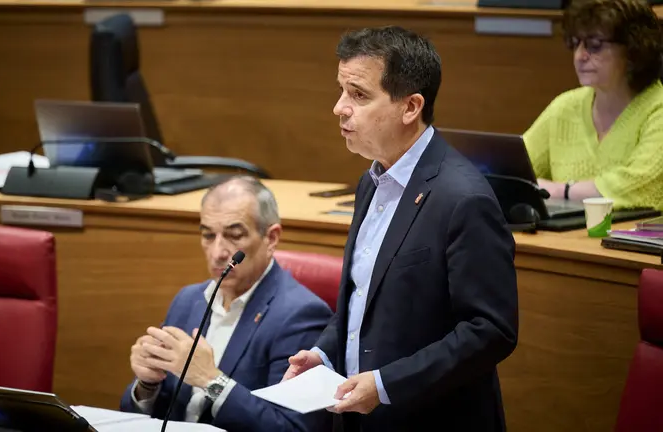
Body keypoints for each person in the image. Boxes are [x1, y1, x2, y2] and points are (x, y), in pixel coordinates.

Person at [283, 26, 519, 431]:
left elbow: (490, 331)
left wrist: (386, 384)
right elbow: (363, 302)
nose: (339, 107)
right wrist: (324, 355)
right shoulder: (370, 182)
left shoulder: (463, 198)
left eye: (358, 95)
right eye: (341, 91)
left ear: (410, 107)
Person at [120, 176, 333, 431]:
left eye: (234, 235)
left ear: (271, 237)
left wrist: (211, 381)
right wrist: (147, 384)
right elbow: (139, 415)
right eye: (208, 236)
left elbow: (291, 428)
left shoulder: (300, 315)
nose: (218, 252)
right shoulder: (187, 301)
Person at [523, 0, 663, 209]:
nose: (580, 56)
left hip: (629, 239)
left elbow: (638, 185)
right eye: (575, 43)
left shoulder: (657, 107)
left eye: (594, 45)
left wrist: (561, 191)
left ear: (634, 50)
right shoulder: (565, 106)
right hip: (564, 238)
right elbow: (514, 170)